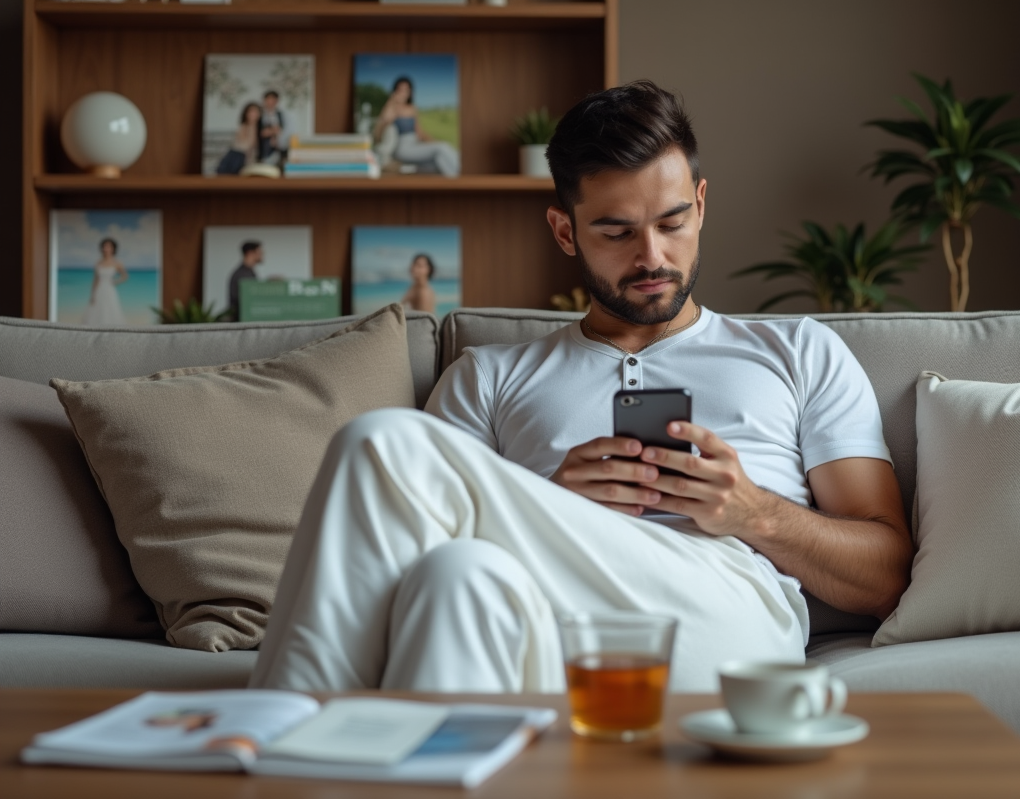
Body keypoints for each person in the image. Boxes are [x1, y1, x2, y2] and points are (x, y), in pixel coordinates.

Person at [251, 80, 911, 694]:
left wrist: (753, 511)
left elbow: (886, 577)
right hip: (539, 614)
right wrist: (552, 502)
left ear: (702, 205)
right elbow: (406, 560)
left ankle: (279, 721)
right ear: (565, 231)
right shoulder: (488, 377)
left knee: (381, 443)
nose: (651, 256)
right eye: (617, 231)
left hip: (726, 612)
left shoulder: (798, 351)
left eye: (672, 223)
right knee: (455, 574)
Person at [371, 77, 461, 177]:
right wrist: (392, 102)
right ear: (395, 91)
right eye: (400, 90)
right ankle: (464, 176)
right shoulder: (391, 107)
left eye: (406, 90)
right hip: (402, 148)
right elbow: (379, 130)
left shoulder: (413, 108)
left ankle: (458, 181)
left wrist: (434, 142)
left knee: (439, 158)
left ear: (410, 92)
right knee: (441, 148)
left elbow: (420, 133)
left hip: (415, 145)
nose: (403, 93)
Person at [83, 237, 128, 326]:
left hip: (110, 290)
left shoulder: (116, 263)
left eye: (108, 246)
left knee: (110, 311)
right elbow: (96, 280)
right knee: (96, 312)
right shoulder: (98, 263)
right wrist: (92, 295)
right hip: (99, 290)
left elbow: (125, 276)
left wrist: (115, 282)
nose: (105, 249)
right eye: (104, 246)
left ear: (113, 249)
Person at [216, 103, 261, 176]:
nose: (253, 114)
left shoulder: (259, 128)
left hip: (249, 160)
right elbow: (245, 146)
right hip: (237, 158)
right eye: (251, 112)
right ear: (246, 114)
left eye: (256, 112)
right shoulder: (244, 127)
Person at [227, 241, 263, 322]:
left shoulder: (250, 272)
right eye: (259, 252)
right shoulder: (241, 275)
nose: (261, 254)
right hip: (241, 322)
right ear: (250, 253)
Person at [258, 90, 287, 165]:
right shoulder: (259, 113)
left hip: (277, 145)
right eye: (269, 99)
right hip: (262, 146)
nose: (271, 102)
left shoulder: (279, 114)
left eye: (274, 100)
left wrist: (273, 133)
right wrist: (272, 131)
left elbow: (280, 130)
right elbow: (261, 132)